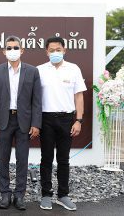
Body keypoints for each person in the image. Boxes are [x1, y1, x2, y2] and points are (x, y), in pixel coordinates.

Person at [0, 36, 42, 210]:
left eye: (15, 47)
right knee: (2, 158)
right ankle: (5, 194)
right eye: (9, 48)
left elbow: (36, 100)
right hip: (4, 121)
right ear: (4, 51)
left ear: (22, 50)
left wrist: (36, 123)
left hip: (24, 121)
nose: (12, 51)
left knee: (22, 159)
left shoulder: (32, 71)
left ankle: (19, 195)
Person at [37, 37, 86, 211]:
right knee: (47, 158)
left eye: (58, 49)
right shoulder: (40, 70)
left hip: (67, 119)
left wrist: (78, 120)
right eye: (51, 50)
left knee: (63, 159)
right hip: (46, 119)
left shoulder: (73, 69)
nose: (55, 53)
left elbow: (79, 96)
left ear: (64, 50)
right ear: (46, 52)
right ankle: (46, 195)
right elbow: (34, 99)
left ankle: (63, 195)